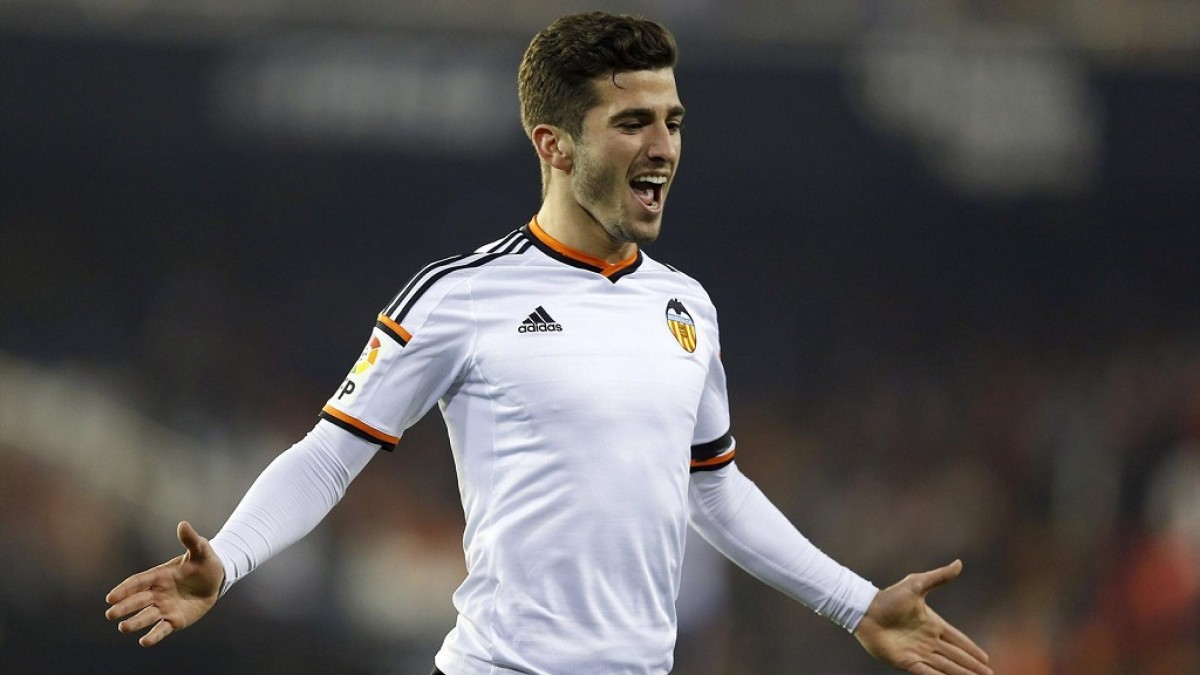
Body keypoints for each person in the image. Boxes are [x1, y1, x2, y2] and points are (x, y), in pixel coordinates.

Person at [105, 12, 992, 675]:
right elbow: (330, 454)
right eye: (633, 122)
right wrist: (230, 556)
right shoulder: (461, 296)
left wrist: (857, 604)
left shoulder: (686, 306)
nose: (664, 147)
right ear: (554, 146)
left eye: (673, 120)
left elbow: (714, 489)